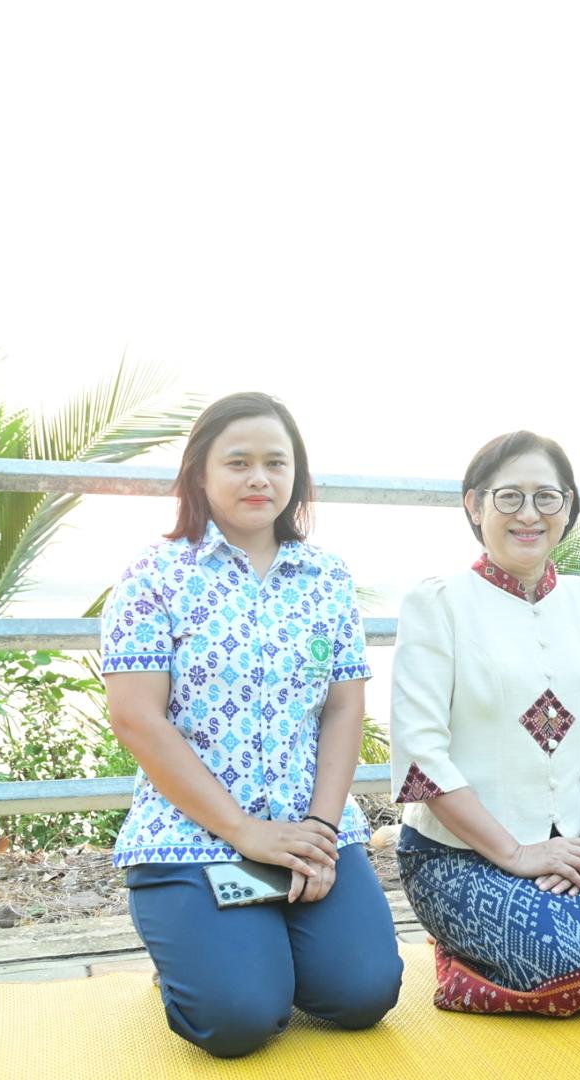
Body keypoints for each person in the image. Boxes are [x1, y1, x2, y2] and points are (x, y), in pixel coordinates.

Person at [101, 392, 402, 1058]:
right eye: (238, 462)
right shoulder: (154, 576)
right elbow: (135, 716)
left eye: (276, 462)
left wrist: (321, 830)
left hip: (306, 827)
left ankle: (260, 948)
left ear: (297, 475)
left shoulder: (326, 577)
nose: (259, 478)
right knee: (237, 1018)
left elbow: (343, 707)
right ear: (200, 474)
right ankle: (209, 959)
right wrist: (244, 831)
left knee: (364, 993)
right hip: (194, 837)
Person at [389, 431, 580, 1016]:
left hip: (571, 844)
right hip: (457, 852)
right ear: (474, 505)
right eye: (509, 497)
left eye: (547, 497)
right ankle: (456, 962)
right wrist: (517, 854)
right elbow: (421, 756)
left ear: (567, 507)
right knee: (563, 963)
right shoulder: (439, 603)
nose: (529, 514)